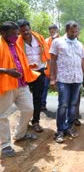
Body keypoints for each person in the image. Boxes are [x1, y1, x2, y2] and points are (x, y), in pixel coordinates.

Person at [0, 22, 39, 158]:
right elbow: (8, 66)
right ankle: (4, 145)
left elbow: (17, 60)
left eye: (18, 34)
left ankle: (20, 134)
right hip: (6, 85)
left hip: (21, 83)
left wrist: (28, 66)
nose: (17, 36)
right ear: (3, 34)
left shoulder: (15, 44)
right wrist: (7, 71)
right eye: (14, 34)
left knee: (29, 109)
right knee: (2, 115)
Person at [50, 21, 84, 143]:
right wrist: (52, 77)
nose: (75, 33)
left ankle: (68, 127)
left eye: (76, 31)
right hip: (63, 79)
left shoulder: (79, 44)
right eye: (72, 31)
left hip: (77, 79)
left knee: (73, 105)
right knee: (63, 105)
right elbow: (52, 60)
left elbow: (82, 61)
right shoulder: (57, 42)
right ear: (67, 30)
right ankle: (60, 130)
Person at [17, 19, 50, 133]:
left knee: (38, 97)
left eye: (27, 30)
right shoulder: (17, 42)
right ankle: (24, 122)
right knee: (23, 99)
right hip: (25, 73)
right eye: (22, 31)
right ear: (19, 32)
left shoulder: (39, 38)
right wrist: (26, 66)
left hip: (39, 71)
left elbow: (46, 53)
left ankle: (36, 121)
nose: (25, 33)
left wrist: (48, 68)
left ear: (30, 28)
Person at [41, 24, 60, 111]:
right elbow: (44, 53)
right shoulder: (46, 40)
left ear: (57, 30)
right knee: (44, 86)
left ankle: (62, 106)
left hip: (59, 68)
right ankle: (42, 104)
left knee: (61, 87)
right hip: (48, 67)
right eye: (50, 31)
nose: (52, 32)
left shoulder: (62, 40)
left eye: (53, 31)